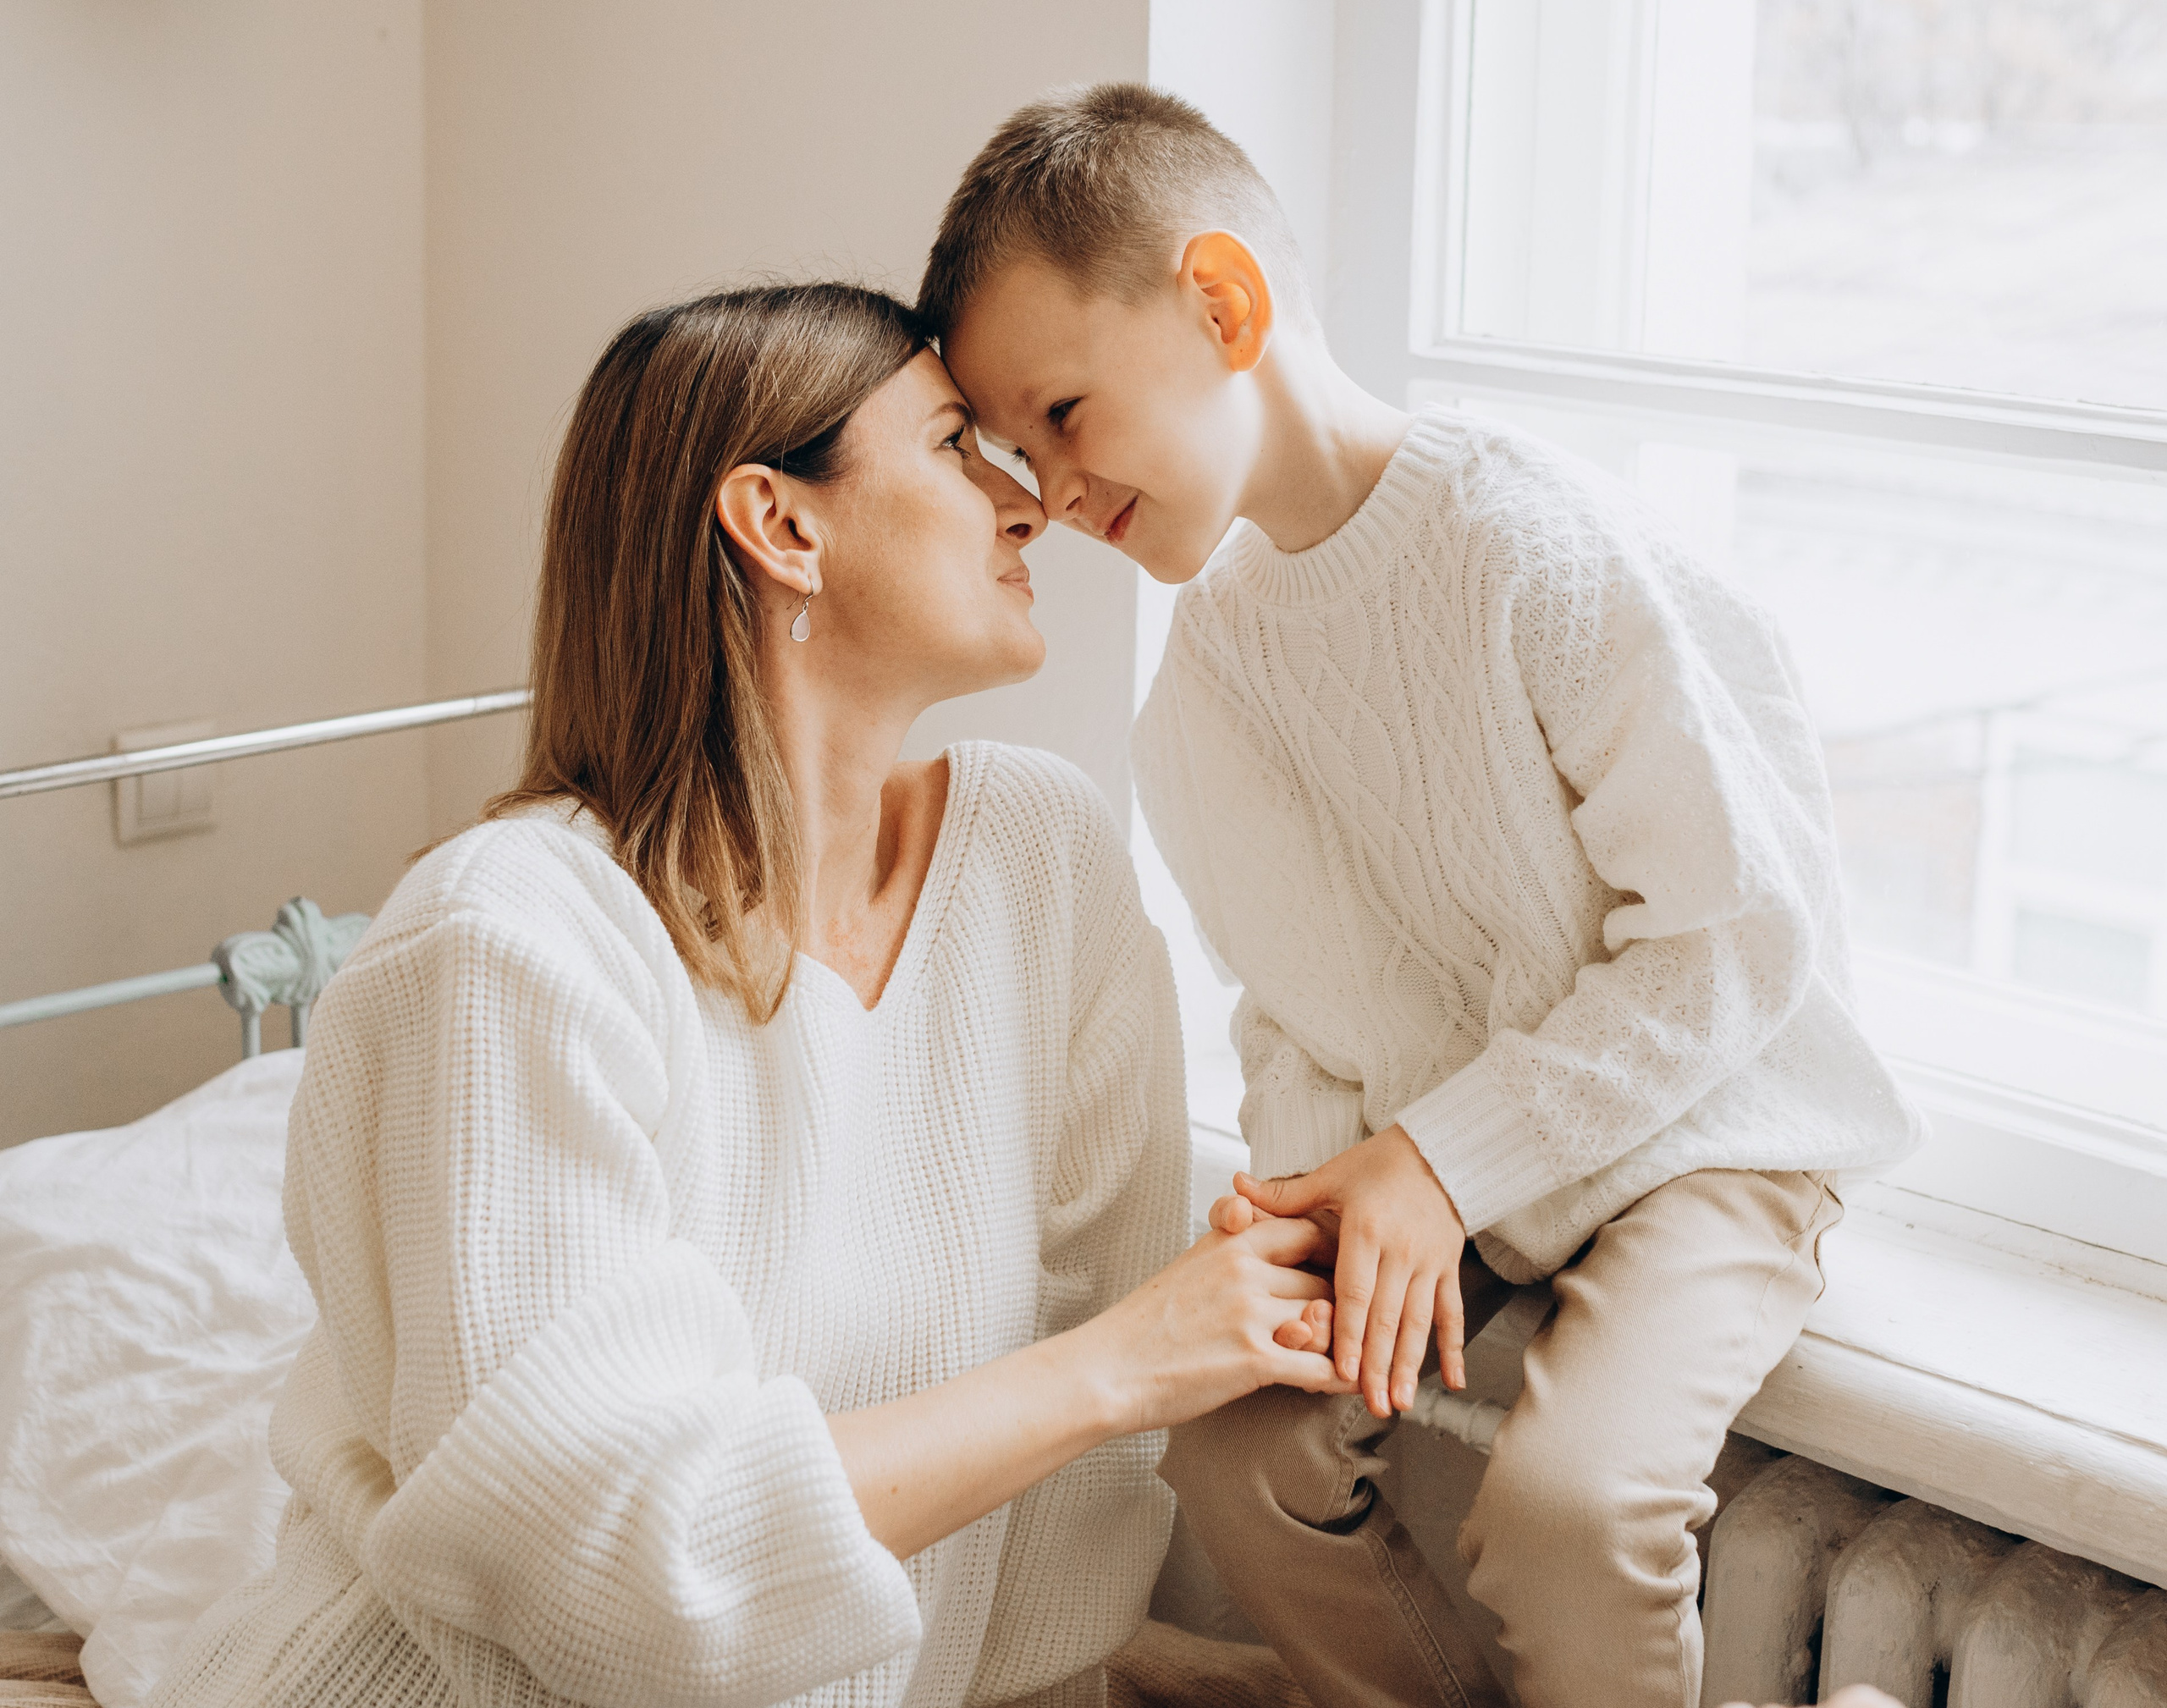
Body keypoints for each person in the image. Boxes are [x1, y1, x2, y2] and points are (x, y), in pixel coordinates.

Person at [150, 283, 1351, 1708]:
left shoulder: (1044, 862)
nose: (1027, 505)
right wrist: (1129, 1359)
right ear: (782, 524)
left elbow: (1065, 1534)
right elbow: (612, 1564)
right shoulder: (510, 941)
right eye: (958, 442)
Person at [922, 85, 1926, 1708]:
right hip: (1449, 1149)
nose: (1045, 489)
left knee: (1570, 1513)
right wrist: (1313, 1205)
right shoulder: (1204, 701)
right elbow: (1304, 1013)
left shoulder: (1539, 552)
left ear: (1224, 304)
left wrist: (1445, 1165)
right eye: (1008, 453)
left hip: (1710, 1128)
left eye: (1062, 411)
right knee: (1233, 1452)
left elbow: (1738, 936)